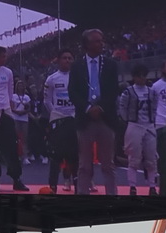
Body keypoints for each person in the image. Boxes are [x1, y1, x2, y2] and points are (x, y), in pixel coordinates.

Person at [69, 29, 120, 195]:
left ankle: (112, 195)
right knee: (84, 164)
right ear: (87, 44)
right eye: (97, 41)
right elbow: (73, 91)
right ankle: (83, 195)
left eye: (101, 40)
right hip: (85, 119)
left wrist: (101, 107)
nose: (101, 44)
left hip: (106, 118)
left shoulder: (111, 64)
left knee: (108, 164)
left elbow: (113, 90)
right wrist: (87, 108)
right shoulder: (77, 66)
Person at [0, 46, 28, 191]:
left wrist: (9, 105)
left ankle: (16, 178)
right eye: (3, 56)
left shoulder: (8, 72)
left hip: (5, 111)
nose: (5, 58)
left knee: (12, 146)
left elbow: (10, 90)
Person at [118, 64, 158, 195]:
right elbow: (122, 109)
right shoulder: (127, 92)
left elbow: (156, 108)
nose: (142, 78)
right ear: (135, 77)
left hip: (149, 125)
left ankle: (152, 186)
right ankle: (132, 186)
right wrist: (128, 120)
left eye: (144, 75)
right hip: (135, 125)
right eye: (140, 76)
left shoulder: (152, 92)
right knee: (133, 159)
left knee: (151, 158)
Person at [42, 48, 79, 193]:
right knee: (55, 154)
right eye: (65, 58)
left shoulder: (78, 77)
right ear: (58, 60)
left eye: (70, 58)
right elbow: (46, 100)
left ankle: (78, 186)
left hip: (73, 118)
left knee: (74, 155)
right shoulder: (51, 79)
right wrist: (55, 113)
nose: (67, 60)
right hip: (57, 118)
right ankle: (52, 186)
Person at [150, 59, 166, 187]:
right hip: (160, 122)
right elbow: (152, 105)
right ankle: (161, 178)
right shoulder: (156, 86)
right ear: (163, 69)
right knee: (161, 154)